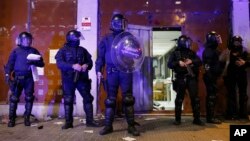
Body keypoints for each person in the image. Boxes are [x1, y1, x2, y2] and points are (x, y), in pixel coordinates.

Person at [96, 13, 140, 136]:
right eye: (117, 22)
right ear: (112, 24)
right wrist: (98, 70)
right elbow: (100, 57)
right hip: (112, 72)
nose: (119, 24)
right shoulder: (106, 38)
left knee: (128, 99)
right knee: (110, 100)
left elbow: (137, 53)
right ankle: (108, 126)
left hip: (125, 71)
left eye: (121, 22)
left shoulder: (128, 37)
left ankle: (131, 126)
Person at [55, 30, 101, 129]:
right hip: (68, 79)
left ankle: (90, 121)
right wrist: (72, 66)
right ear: (71, 39)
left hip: (82, 79)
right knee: (68, 100)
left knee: (88, 99)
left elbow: (90, 62)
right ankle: (68, 123)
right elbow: (59, 64)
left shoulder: (83, 50)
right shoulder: (62, 50)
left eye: (78, 38)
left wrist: (86, 65)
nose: (78, 40)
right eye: (76, 38)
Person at [4, 32, 45, 127]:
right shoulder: (15, 51)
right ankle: (12, 119)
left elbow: (42, 64)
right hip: (17, 78)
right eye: (25, 39)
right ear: (21, 40)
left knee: (29, 98)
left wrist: (34, 62)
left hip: (29, 79)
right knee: (14, 99)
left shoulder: (34, 51)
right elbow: (10, 64)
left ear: (31, 40)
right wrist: (7, 75)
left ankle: (27, 118)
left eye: (28, 39)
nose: (27, 41)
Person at [167, 35, 205, 126]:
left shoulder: (191, 53)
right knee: (179, 99)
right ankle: (177, 119)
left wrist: (191, 61)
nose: (189, 44)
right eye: (187, 42)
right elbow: (169, 64)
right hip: (180, 78)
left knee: (195, 99)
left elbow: (199, 62)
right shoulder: (175, 53)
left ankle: (197, 119)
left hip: (191, 78)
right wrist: (178, 62)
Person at [223, 35, 250, 120]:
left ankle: (243, 114)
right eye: (235, 42)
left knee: (243, 95)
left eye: (238, 42)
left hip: (242, 75)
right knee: (231, 94)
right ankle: (232, 114)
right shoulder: (227, 51)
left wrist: (244, 63)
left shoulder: (245, 50)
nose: (237, 44)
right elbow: (220, 61)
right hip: (231, 75)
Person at [202, 31, 223, 124]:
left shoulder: (211, 49)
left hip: (212, 76)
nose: (218, 40)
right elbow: (207, 66)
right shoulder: (209, 50)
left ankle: (211, 116)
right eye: (216, 38)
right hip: (210, 76)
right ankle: (210, 118)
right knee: (211, 96)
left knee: (212, 96)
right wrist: (210, 75)